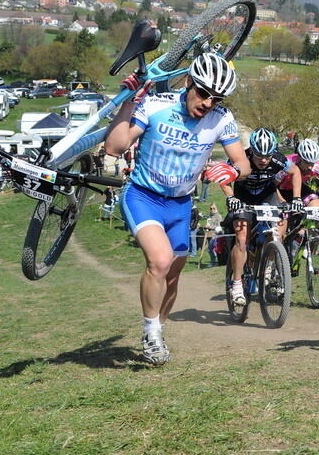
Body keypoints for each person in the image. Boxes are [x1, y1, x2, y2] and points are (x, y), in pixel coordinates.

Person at [105, 53, 249, 366]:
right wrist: (129, 100)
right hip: (143, 196)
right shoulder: (156, 105)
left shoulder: (221, 119)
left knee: (172, 275)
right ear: (188, 82)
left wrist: (233, 172)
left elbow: (243, 163)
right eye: (204, 93)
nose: (208, 103)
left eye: (217, 98)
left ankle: (158, 329)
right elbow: (114, 147)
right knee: (160, 261)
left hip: (181, 204)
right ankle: (150, 331)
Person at [219, 128, 289, 305]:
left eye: (267, 156)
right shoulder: (240, 159)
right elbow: (224, 179)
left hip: (267, 196)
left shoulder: (278, 159)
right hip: (243, 198)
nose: (264, 160)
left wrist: (295, 198)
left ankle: (270, 265)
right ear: (251, 150)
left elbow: (295, 172)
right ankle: (236, 284)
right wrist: (231, 197)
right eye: (259, 156)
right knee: (242, 240)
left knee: (278, 231)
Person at [275, 138, 319, 243]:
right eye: (307, 163)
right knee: (280, 231)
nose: (310, 166)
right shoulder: (287, 164)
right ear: (299, 158)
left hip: (300, 189)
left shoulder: (316, 166)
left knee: (318, 208)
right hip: (281, 191)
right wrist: (282, 202)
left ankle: (302, 233)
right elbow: (273, 186)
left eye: (312, 163)